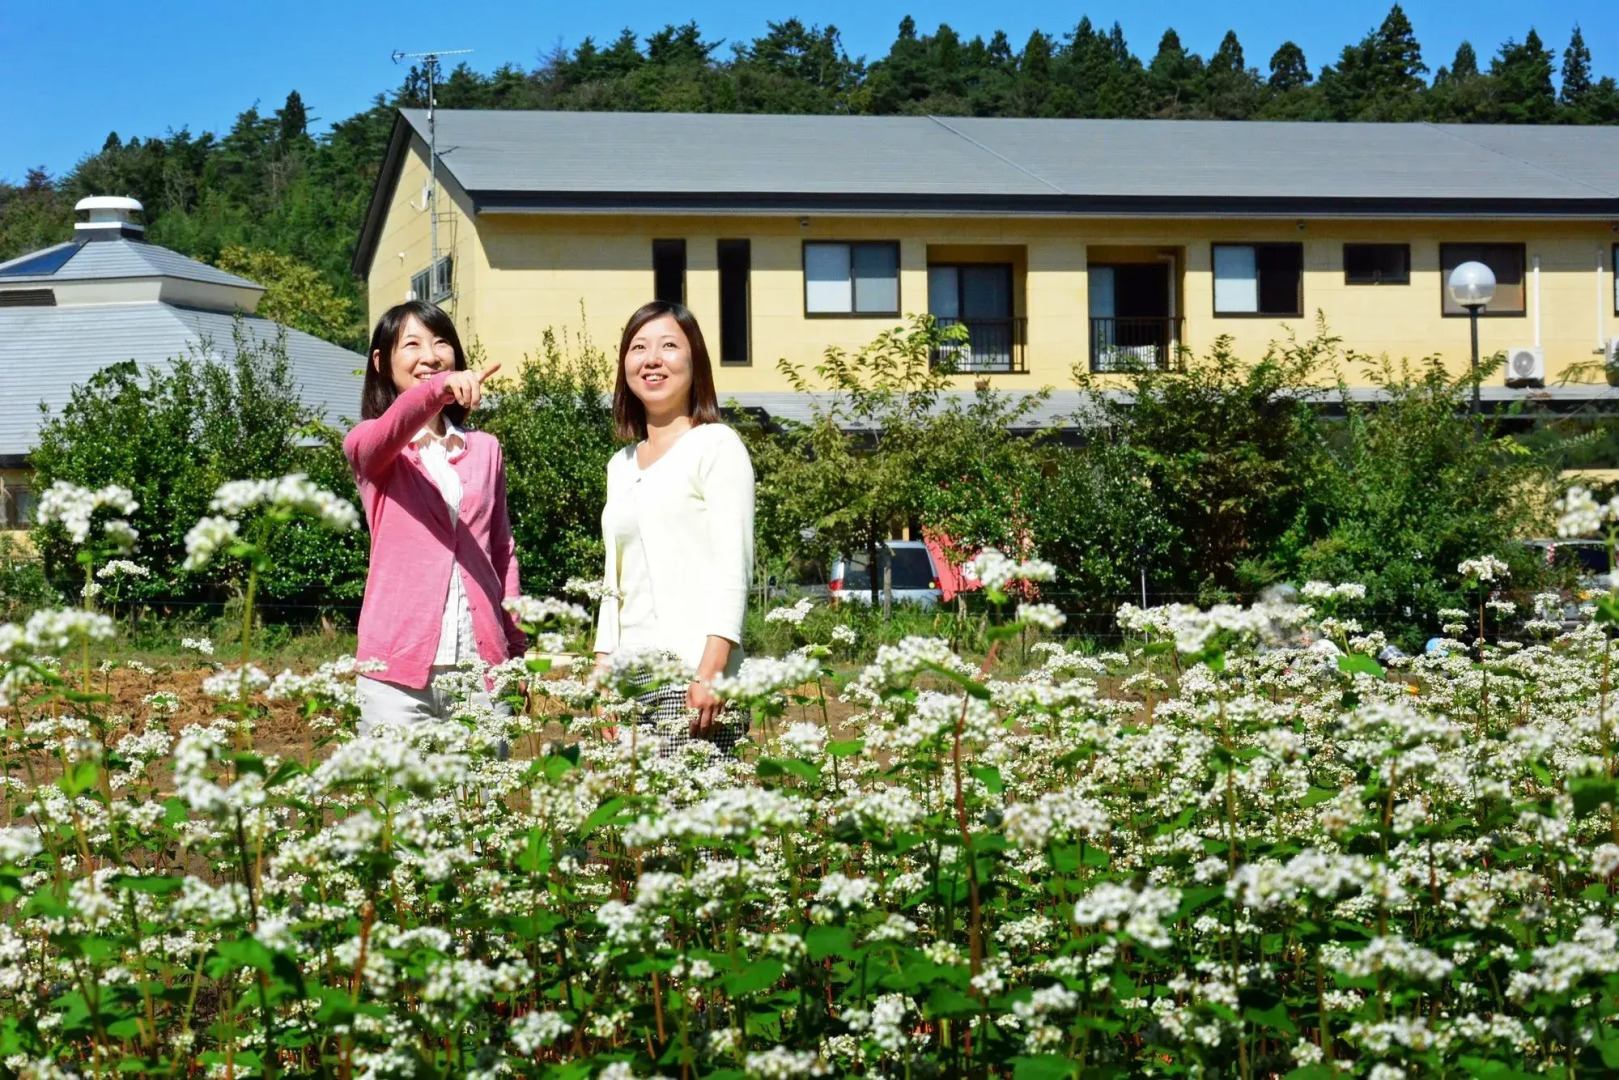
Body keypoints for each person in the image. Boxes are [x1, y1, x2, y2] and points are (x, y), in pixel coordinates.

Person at [344, 300, 525, 724]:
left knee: (482, 792)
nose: (430, 356)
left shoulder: (485, 450)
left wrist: (516, 652)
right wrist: (437, 389)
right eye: (412, 344)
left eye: (441, 343)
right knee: (401, 793)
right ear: (381, 362)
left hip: (482, 675)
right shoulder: (369, 446)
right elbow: (389, 430)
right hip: (394, 680)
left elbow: (502, 552)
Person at [593, 300, 755, 755]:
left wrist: (712, 670)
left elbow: (733, 566)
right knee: (632, 822)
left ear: (694, 361)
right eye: (638, 347)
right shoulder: (619, 466)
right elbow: (614, 580)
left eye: (668, 346)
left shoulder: (716, 445)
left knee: (695, 821)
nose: (652, 359)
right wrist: (603, 671)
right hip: (629, 678)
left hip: (690, 672)